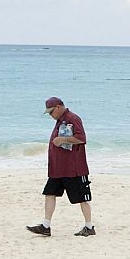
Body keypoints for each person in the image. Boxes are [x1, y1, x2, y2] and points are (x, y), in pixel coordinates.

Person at [26, 96, 95, 237]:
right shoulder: (60, 121)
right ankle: (46, 226)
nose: (50, 115)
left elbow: (82, 138)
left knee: (82, 198)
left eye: (51, 112)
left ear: (58, 107)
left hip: (74, 169)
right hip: (58, 169)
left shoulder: (73, 118)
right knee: (49, 193)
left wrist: (62, 139)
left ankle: (89, 227)